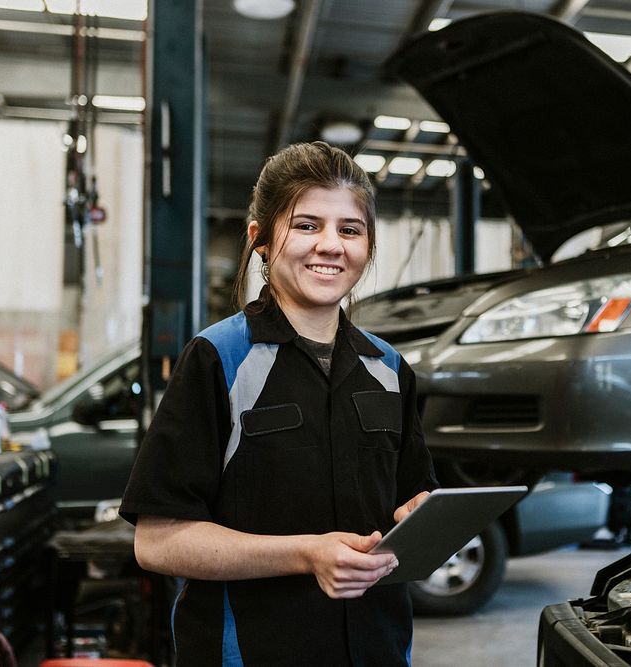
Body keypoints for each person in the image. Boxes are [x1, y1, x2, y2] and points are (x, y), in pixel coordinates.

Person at [120, 141, 437, 666]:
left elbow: (412, 495)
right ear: (261, 239)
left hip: (377, 649)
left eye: (350, 230)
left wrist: (419, 514)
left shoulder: (388, 368)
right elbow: (157, 542)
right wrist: (305, 554)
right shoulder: (219, 358)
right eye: (307, 225)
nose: (330, 245)